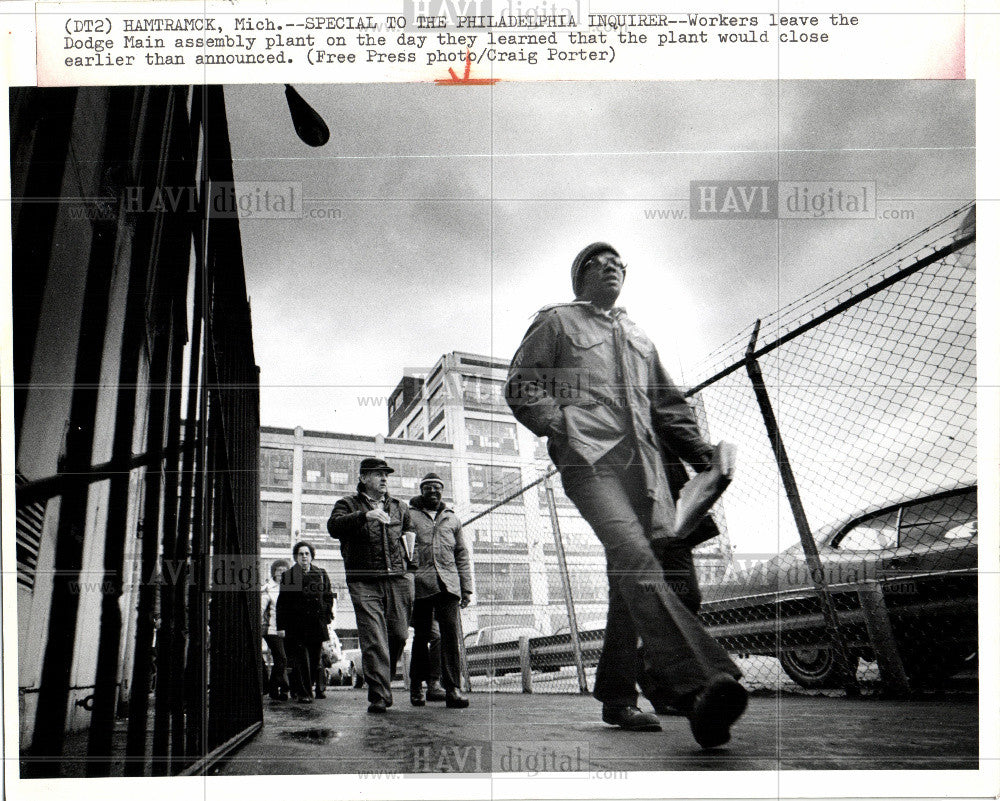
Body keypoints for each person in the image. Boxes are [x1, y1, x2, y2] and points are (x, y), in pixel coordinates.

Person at [505, 242, 747, 749]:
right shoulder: (559, 323)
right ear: (582, 275)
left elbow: (670, 406)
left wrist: (703, 455)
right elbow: (524, 385)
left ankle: (617, 695)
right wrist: (564, 426)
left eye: (621, 264)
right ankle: (703, 685)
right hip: (593, 464)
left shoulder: (638, 337)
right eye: (603, 262)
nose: (614, 268)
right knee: (635, 557)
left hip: (650, 473)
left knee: (629, 578)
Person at [328, 457, 416, 713]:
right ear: (364, 477)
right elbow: (333, 526)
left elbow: (411, 539)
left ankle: (381, 682)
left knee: (399, 634)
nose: (384, 479)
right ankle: (379, 694)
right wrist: (365, 515)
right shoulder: (347, 504)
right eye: (378, 474)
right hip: (363, 581)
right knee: (374, 638)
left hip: (397, 579)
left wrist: (410, 571)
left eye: (386, 475)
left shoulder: (400, 507)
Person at [407, 472, 472, 709]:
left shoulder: (452, 519)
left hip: (449, 585)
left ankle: (452, 688)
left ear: (442, 491)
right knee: (422, 636)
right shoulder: (410, 515)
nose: (433, 492)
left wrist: (466, 588)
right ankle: (416, 688)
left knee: (450, 637)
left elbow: (461, 554)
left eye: (437, 488)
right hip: (421, 584)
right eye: (428, 488)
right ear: (421, 491)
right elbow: (403, 549)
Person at [276, 541, 334, 703]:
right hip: (296, 626)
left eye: (307, 554)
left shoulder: (320, 573)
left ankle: (298, 689)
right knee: (302, 661)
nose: (304, 557)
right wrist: (281, 627)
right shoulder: (289, 576)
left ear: (311, 556)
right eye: (301, 554)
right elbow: (283, 603)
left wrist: (326, 614)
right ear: (296, 557)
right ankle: (304, 694)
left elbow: (328, 596)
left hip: (316, 625)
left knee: (315, 661)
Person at [261, 559, 291, 701]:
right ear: (274, 572)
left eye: (285, 571)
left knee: (281, 659)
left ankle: (276, 690)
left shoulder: (290, 587)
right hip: (272, 629)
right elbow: (261, 609)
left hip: (285, 630)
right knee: (281, 659)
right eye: (279, 571)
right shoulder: (268, 588)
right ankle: (275, 687)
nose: (282, 574)